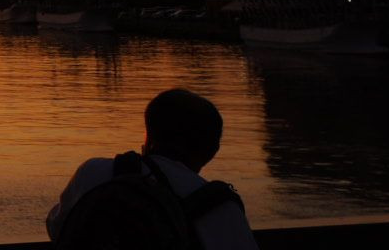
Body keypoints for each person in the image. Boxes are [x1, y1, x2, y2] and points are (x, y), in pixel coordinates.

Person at [46, 88, 257, 249]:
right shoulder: (222, 209)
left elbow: (58, 229)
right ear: (212, 150)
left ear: (148, 135)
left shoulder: (94, 173)